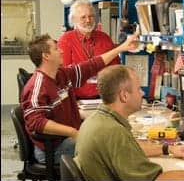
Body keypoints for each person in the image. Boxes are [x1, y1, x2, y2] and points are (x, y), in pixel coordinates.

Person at [74, 65, 184, 181]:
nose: (142, 93)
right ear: (124, 96)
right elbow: (157, 180)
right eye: (138, 89)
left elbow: (130, 149)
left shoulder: (96, 121)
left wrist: (168, 149)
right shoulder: (113, 132)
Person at [21, 33, 138, 164]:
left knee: (108, 138)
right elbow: (36, 122)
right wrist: (72, 132)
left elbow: (91, 65)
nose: (61, 50)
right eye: (56, 48)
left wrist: (121, 48)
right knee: (107, 148)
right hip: (52, 149)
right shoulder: (37, 86)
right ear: (46, 56)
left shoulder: (62, 75)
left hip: (65, 139)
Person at [58, 0, 120, 99]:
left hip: (105, 98)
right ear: (74, 20)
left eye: (91, 16)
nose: (88, 20)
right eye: (83, 17)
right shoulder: (65, 40)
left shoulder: (105, 38)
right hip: (78, 100)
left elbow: (116, 69)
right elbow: (64, 75)